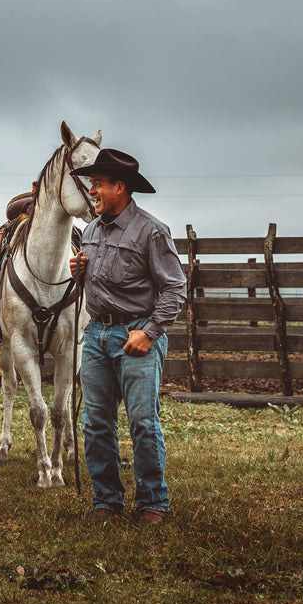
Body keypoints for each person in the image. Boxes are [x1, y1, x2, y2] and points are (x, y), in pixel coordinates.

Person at [68, 148, 186, 525]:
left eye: (98, 184)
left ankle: (153, 502)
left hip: (135, 334)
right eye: (91, 184)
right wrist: (79, 270)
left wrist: (149, 334)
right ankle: (107, 501)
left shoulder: (151, 231)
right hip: (98, 333)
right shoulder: (89, 230)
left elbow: (175, 290)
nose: (92, 191)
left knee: (142, 421)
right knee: (96, 422)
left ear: (120, 187)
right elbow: (97, 278)